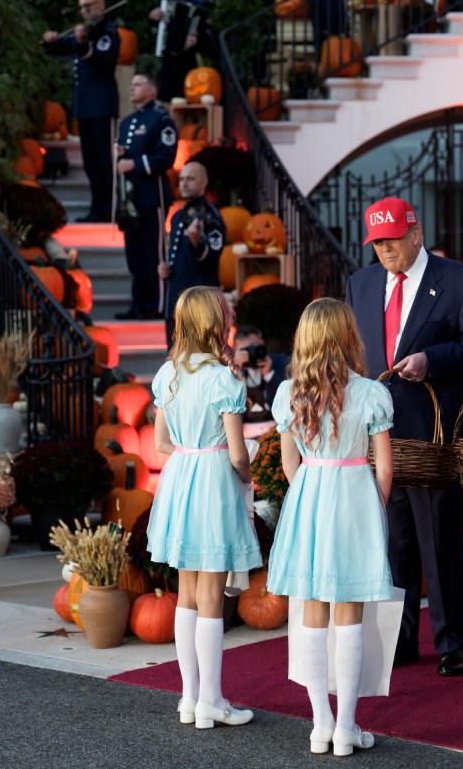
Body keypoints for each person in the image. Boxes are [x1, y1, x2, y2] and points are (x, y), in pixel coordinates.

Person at [345, 196, 463, 676]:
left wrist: (432, 360)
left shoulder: (458, 281)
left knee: (439, 541)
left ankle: (453, 643)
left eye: (391, 241)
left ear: (415, 233)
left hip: (433, 432)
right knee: (394, 544)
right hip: (379, 434)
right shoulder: (360, 283)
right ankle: (399, 640)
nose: (385, 251)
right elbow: (354, 351)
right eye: (377, 243)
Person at [267, 298, 394, 756]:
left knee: (313, 613)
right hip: (356, 498)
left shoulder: (288, 394)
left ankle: (320, 724)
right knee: (351, 615)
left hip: (311, 496)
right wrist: (371, 510)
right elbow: (385, 469)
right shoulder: (371, 393)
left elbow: (288, 464)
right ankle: (346, 727)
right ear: (348, 337)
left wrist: (310, 500)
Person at [146, 286, 262, 728]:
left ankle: (189, 697)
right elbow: (236, 454)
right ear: (216, 324)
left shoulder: (167, 372)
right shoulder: (224, 379)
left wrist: (190, 451)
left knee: (188, 593)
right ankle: (211, 700)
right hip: (213, 482)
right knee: (212, 594)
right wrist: (248, 475)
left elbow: (159, 443)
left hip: (180, 479)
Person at [43, 0, 119, 223]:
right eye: (82, 8)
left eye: (89, 6)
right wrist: (50, 40)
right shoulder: (83, 33)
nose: (85, 11)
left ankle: (108, 208)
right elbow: (59, 48)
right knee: (91, 163)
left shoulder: (108, 33)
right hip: (85, 107)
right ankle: (96, 208)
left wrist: (83, 44)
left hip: (102, 106)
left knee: (104, 161)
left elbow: (103, 61)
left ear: (101, 4)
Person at [114, 73, 178, 320]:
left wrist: (134, 164)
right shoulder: (127, 122)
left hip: (153, 197)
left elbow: (166, 157)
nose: (132, 88)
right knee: (135, 254)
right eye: (131, 84)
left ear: (152, 91)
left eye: (138, 84)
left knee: (153, 253)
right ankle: (138, 303)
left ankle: (155, 305)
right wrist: (119, 155)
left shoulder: (161, 120)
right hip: (129, 201)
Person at [160, 161, 224, 346]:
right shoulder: (178, 216)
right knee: (173, 359)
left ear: (204, 182)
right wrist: (166, 268)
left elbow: (212, 254)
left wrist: (197, 242)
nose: (184, 183)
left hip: (198, 303)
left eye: (190, 179)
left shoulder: (212, 217)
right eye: (181, 179)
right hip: (175, 299)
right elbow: (177, 254)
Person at [149, 0, 210, 102]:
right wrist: (153, 16)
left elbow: (206, 32)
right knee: (165, 94)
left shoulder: (199, 3)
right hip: (168, 54)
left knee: (185, 94)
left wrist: (197, 40)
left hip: (187, 57)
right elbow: (154, 25)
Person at [232, 324, 288, 419]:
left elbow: (288, 402)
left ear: (263, 343)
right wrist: (236, 373)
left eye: (255, 348)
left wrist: (269, 375)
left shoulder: (282, 363)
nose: (252, 353)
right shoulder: (230, 371)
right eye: (245, 350)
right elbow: (230, 410)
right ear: (235, 351)